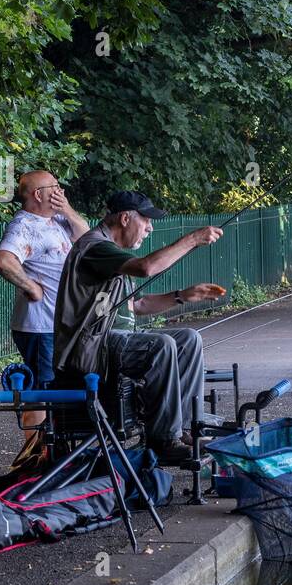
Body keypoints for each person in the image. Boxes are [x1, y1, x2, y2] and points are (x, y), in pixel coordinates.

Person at [53, 191, 225, 462]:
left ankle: (190, 428)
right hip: (90, 350)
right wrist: (192, 239)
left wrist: (182, 296)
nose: (150, 228)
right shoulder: (95, 247)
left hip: (114, 343)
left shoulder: (113, 255)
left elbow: (139, 306)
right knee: (161, 345)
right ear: (124, 218)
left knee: (189, 338)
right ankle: (164, 440)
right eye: (146, 220)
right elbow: (147, 267)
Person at [0, 170, 90, 389]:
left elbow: (87, 238)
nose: (60, 191)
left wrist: (66, 209)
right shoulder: (24, 226)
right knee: (44, 391)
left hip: (58, 325)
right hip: (40, 327)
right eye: (54, 187)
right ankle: (38, 425)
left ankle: (53, 424)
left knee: (62, 388)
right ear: (38, 195)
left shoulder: (57, 219)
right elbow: (3, 260)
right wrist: (31, 286)